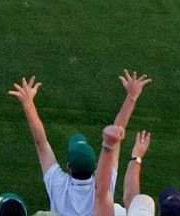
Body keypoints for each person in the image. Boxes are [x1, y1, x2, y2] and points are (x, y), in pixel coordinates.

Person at [9, 71, 152, 216]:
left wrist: (28, 103)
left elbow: (41, 143)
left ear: (68, 166)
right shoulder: (104, 184)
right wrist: (131, 97)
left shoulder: (58, 184)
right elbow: (117, 133)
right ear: (96, 166)